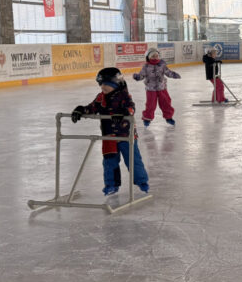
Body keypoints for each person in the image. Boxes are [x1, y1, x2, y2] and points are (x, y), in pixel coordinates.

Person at [71, 67, 149, 196]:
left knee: (133, 160)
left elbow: (131, 108)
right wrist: (81, 110)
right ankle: (111, 185)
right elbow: (92, 108)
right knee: (109, 161)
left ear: (115, 84)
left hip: (126, 135)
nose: (103, 87)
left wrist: (123, 112)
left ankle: (142, 181)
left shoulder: (124, 96)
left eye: (107, 84)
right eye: (101, 84)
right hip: (109, 136)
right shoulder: (101, 97)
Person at [133, 48, 181, 126]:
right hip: (150, 89)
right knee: (150, 104)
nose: (155, 58)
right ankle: (147, 119)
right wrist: (138, 77)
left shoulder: (162, 65)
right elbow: (142, 75)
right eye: (153, 56)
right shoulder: (146, 66)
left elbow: (167, 72)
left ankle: (169, 117)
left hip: (162, 87)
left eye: (156, 56)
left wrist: (173, 75)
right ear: (148, 57)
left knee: (166, 102)